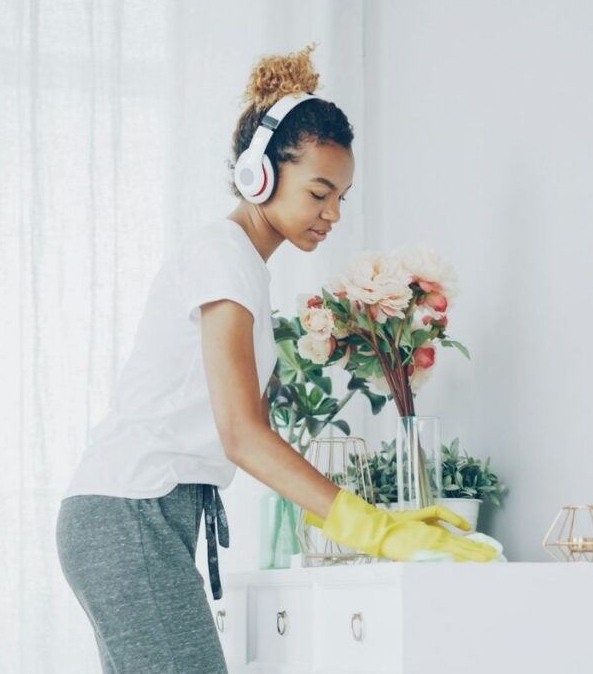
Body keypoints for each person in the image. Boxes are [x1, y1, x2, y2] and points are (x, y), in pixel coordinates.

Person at [55, 43, 497, 674]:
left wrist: (381, 519)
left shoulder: (241, 267)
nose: (333, 213)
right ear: (258, 175)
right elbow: (242, 436)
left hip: (133, 514)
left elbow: (254, 433)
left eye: (342, 196)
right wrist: (376, 530)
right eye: (320, 192)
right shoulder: (223, 255)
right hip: (132, 512)